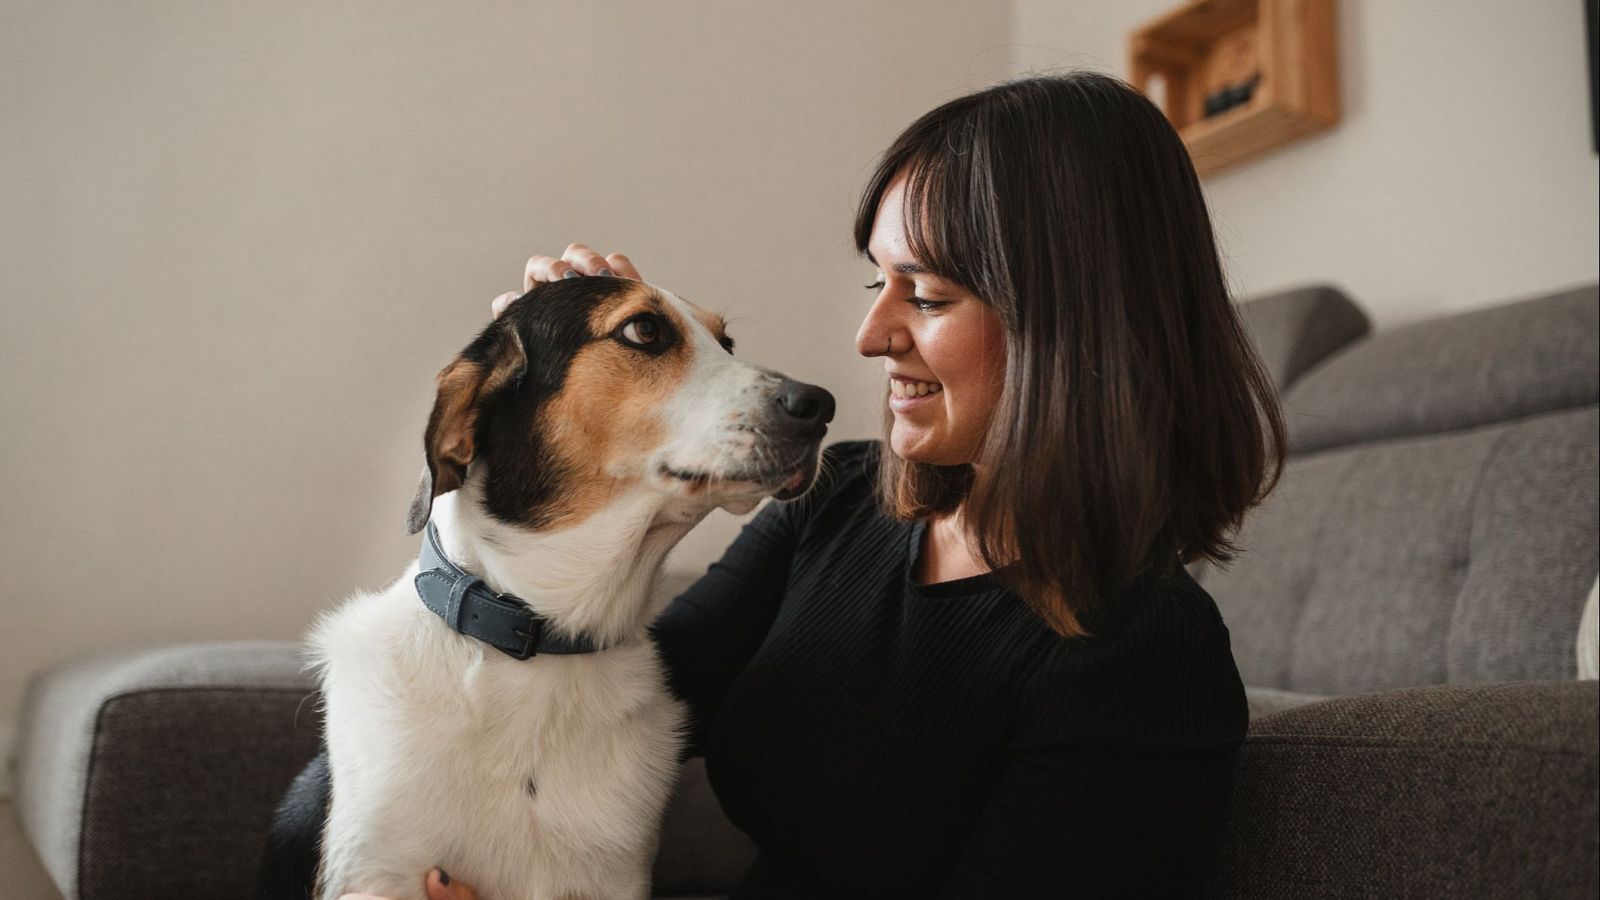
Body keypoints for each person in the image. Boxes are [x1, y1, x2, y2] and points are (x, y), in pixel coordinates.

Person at [353, 70, 1286, 899]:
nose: (871, 336)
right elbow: (624, 691)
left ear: (1072, 320)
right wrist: (582, 369)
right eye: (878, 281)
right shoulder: (846, 499)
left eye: (925, 295)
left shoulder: (1145, 662)